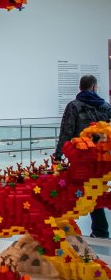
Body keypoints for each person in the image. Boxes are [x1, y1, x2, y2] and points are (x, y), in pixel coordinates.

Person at [54, 73, 111, 239]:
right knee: (97, 190)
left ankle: (98, 230)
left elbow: (66, 132)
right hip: (103, 158)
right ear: (94, 87)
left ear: (80, 87)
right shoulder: (105, 106)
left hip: (82, 157)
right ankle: (100, 230)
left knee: (86, 191)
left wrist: (58, 156)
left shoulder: (74, 106)